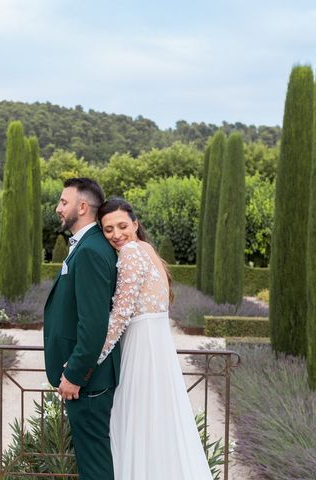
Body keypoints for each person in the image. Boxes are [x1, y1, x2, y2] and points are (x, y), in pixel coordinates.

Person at [97, 197, 214, 480]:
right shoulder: (148, 250)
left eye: (122, 226)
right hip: (158, 348)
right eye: (108, 229)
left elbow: (121, 315)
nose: (116, 234)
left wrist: (93, 358)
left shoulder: (130, 253)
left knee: (136, 425)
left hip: (141, 350)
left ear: (135, 224)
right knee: (159, 427)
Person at [43, 178, 121, 480]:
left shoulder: (90, 250)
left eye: (64, 202)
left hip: (87, 382)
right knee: (92, 461)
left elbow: (93, 323)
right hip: (87, 380)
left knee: (95, 466)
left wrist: (74, 375)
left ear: (83, 206)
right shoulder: (87, 246)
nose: (58, 208)